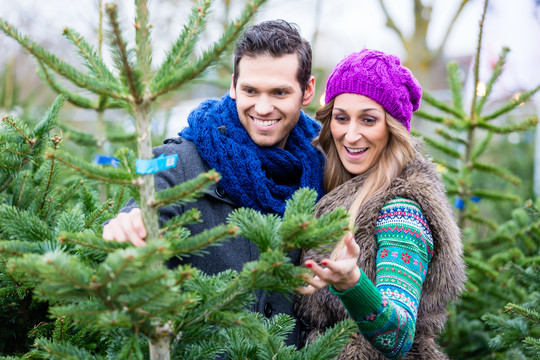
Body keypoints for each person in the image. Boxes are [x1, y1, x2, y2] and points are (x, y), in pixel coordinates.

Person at [102, 19, 324, 347]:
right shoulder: (180, 159)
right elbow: (146, 197)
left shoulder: (322, 165)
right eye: (251, 90)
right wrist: (125, 223)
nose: (263, 107)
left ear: (306, 91)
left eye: (279, 92)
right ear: (234, 85)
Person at [295, 49, 466, 359]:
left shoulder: (402, 210)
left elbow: (397, 336)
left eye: (369, 120)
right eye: (341, 118)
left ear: (392, 128)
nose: (351, 134)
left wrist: (352, 284)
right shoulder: (337, 190)